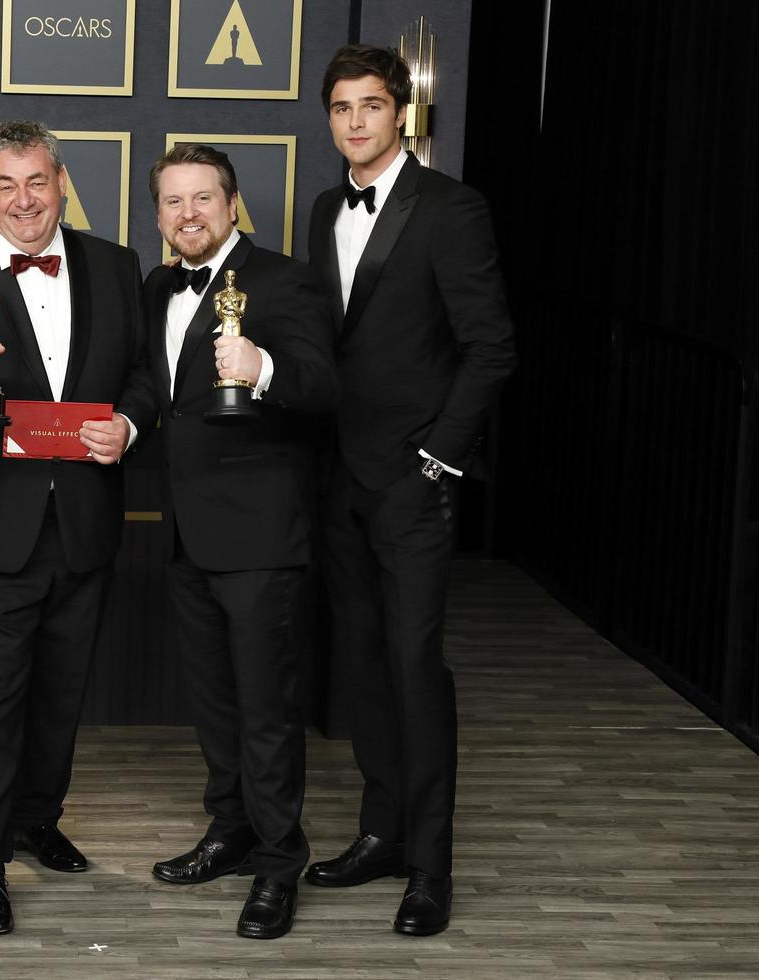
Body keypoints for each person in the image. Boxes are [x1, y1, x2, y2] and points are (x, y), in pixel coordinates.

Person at [0, 119, 156, 935]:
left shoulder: (117, 266)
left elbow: (146, 376)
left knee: (59, 692)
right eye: (5, 185)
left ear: (61, 183)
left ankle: (36, 818)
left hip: (84, 517)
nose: (23, 200)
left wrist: (128, 423)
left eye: (36, 182)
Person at [305, 45, 518, 936]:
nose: (356, 121)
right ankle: (382, 831)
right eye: (342, 108)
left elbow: (491, 347)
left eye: (371, 106)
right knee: (360, 669)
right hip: (338, 482)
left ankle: (431, 867)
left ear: (403, 114)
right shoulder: (323, 209)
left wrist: (438, 460)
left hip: (413, 485)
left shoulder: (452, 208)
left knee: (414, 670)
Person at [142, 145, 338, 940]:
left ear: (232, 205)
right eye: (173, 201)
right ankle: (231, 829)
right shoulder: (155, 286)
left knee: (266, 710)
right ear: (157, 214)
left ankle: (279, 864)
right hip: (186, 531)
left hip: (261, 537)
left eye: (202, 199)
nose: (188, 214)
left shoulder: (286, 280)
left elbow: (326, 390)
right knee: (216, 705)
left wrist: (262, 366)